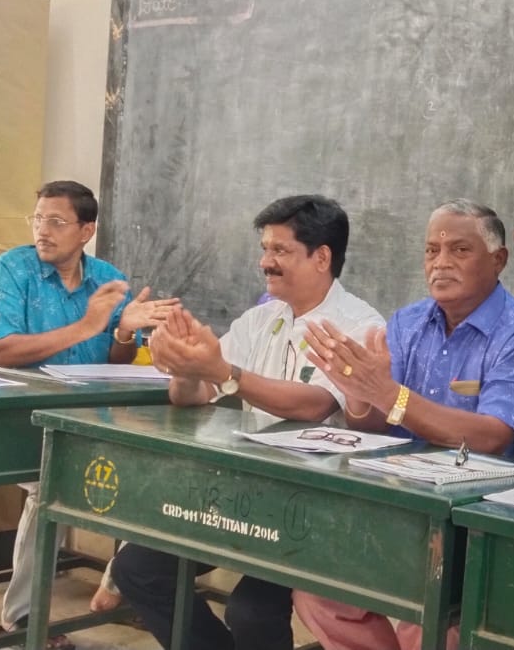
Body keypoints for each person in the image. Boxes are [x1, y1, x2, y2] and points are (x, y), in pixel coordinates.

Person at [110, 195, 384, 650]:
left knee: (251, 612)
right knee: (137, 569)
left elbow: (314, 405)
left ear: (322, 257)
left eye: (280, 251)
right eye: (265, 249)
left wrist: (222, 372)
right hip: (247, 491)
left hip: (313, 505)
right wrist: (185, 367)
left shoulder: (358, 324)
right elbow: (195, 397)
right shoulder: (260, 319)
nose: (266, 263)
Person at [294, 199, 514, 650]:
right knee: (318, 589)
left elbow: (493, 437)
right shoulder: (407, 322)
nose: (440, 263)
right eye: (430, 251)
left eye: (459, 250)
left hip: (484, 524)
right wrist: (360, 394)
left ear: (498, 260)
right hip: (407, 510)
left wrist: (389, 394)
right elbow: (380, 423)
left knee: (432, 624)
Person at [0, 180, 179, 647]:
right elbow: (2, 351)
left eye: (56, 221)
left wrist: (125, 334)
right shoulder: (12, 269)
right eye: (37, 219)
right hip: (19, 414)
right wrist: (86, 325)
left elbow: (115, 362)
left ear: (86, 230)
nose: (42, 231)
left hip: (91, 413)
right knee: (50, 486)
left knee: (155, 476)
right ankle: (24, 616)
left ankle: (123, 580)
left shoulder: (106, 276)